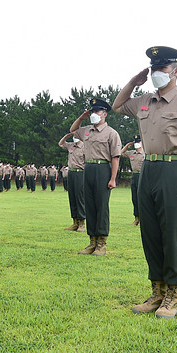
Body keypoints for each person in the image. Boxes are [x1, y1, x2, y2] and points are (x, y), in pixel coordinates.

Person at [113, 46, 177, 318]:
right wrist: (133, 82)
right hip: (148, 169)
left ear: (176, 72)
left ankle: (173, 296)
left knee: (172, 235)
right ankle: (157, 291)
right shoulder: (144, 101)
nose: (156, 74)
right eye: (153, 69)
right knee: (150, 233)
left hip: (174, 170)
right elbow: (118, 106)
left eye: (161, 69)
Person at [70, 98, 120, 256]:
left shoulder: (112, 133)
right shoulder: (86, 131)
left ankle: (101, 243)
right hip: (88, 168)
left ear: (104, 114)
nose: (93, 114)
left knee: (101, 207)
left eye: (97, 111)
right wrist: (81, 118)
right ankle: (92, 241)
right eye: (92, 111)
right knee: (90, 206)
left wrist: (112, 178)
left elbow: (115, 158)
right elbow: (72, 130)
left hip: (103, 169)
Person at [59, 132, 86, 231]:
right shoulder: (71, 145)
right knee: (72, 197)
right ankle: (75, 222)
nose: (74, 137)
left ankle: (82, 223)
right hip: (71, 173)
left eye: (76, 134)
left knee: (80, 197)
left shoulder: (85, 147)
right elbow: (61, 144)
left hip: (80, 173)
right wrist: (66, 136)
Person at [120, 136, 145, 225]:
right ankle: (136, 218)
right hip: (134, 176)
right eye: (135, 142)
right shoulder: (132, 153)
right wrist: (127, 146)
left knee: (142, 199)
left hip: (143, 176)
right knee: (134, 198)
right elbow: (120, 153)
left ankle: (143, 219)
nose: (136, 144)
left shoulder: (145, 153)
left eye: (138, 142)